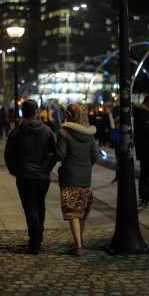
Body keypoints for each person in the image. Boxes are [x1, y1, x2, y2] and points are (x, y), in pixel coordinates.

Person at [5, 99, 56, 255]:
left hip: (25, 176)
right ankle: (37, 235)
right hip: (43, 176)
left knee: (31, 209)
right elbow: (53, 154)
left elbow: (9, 157)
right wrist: (48, 168)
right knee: (39, 205)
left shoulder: (15, 134)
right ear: (36, 112)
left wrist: (17, 171)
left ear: (22, 113)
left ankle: (35, 241)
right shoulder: (47, 131)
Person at [49, 104, 97, 256]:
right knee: (81, 211)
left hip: (70, 176)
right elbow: (94, 156)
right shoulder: (89, 134)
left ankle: (77, 246)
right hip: (85, 177)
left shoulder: (64, 132)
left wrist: (48, 155)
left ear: (68, 115)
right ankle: (79, 242)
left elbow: (60, 155)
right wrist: (85, 167)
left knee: (72, 212)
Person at [110, 117, 120, 183]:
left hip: (123, 151)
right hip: (118, 151)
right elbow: (111, 139)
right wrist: (116, 140)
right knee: (118, 165)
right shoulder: (115, 131)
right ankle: (117, 176)